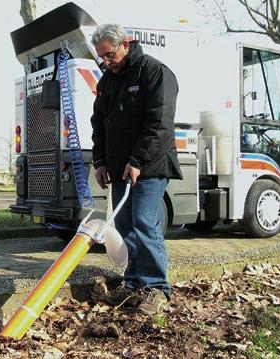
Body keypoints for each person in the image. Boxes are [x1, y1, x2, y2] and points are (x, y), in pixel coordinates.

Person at [90, 24, 183, 315]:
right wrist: (101, 162)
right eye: (102, 57)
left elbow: (160, 125)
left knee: (145, 224)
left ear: (126, 44)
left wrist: (139, 160)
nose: (106, 62)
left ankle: (157, 289)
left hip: (151, 167)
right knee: (126, 228)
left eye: (110, 55)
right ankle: (133, 285)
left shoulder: (154, 73)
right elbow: (99, 124)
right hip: (119, 168)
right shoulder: (108, 80)